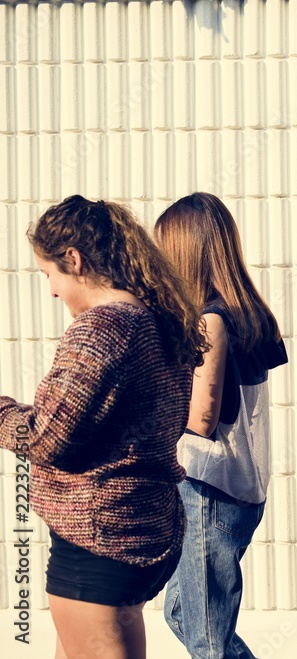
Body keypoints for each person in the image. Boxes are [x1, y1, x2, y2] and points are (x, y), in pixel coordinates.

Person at [0, 195, 204, 658]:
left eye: (48, 274)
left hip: (97, 541)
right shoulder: (156, 319)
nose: (51, 291)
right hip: (138, 528)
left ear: (73, 259)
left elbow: (45, 437)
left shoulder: (104, 326)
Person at [155, 192, 288, 659]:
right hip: (241, 487)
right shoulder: (249, 312)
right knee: (182, 616)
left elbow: (202, 417)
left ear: (184, 252)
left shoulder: (211, 319)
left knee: (206, 641)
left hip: (209, 489)